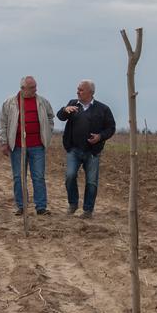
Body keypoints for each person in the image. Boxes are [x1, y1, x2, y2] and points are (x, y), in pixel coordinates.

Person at [56, 79, 116, 218]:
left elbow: (111, 128)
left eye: (81, 90)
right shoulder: (73, 104)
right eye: (78, 89)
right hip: (74, 150)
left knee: (91, 181)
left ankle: (88, 210)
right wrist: (65, 110)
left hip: (92, 152)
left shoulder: (103, 109)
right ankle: (73, 204)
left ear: (90, 92)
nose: (78, 92)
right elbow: (60, 116)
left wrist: (100, 137)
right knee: (70, 176)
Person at [0, 75, 54, 215]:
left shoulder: (42, 102)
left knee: (38, 176)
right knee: (19, 177)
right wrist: (4, 142)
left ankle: (41, 207)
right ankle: (21, 206)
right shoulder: (10, 103)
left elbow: (50, 117)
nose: (35, 90)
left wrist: (48, 132)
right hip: (17, 146)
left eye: (35, 87)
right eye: (32, 88)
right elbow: (3, 123)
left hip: (37, 146)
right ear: (23, 88)